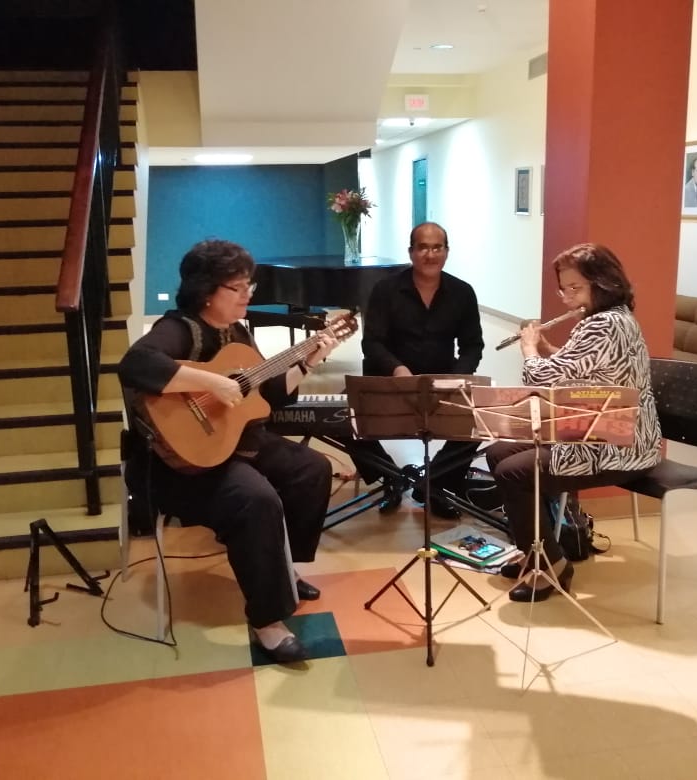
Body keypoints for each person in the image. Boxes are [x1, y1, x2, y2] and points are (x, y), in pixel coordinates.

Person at [118, 239, 339, 664]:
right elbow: (135, 365)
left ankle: (281, 569)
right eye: (238, 288)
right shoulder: (178, 328)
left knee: (311, 469)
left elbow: (266, 395)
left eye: (248, 286)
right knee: (255, 500)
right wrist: (211, 383)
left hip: (234, 441)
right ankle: (268, 623)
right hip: (177, 465)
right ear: (207, 292)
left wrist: (308, 361)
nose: (248, 294)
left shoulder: (236, 332)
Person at [485, 243, 661, 602]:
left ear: (603, 283)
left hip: (614, 443)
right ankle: (537, 549)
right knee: (498, 451)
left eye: (574, 288)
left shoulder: (604, 325)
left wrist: (530, 349)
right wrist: (550, 350)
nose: (566, 297)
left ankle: (551, 567)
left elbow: (542, 380)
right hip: (600, 429)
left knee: (512, 472)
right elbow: (579, 370)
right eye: (562, 288)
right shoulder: (611, 319)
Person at [345, 221, 485, 519]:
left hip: (441, 384)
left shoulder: (463, 292)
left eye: (437, 247)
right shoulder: (385, 290)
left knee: (481, 416)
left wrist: (457, 377)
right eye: (423, 247)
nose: (430, 254)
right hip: (390, 381)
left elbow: (473, 345)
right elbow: (372, 343)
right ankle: (389, 477)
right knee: (343, 414)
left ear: (447, 252)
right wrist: (398, 370)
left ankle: (434, 484)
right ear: (411, 252)